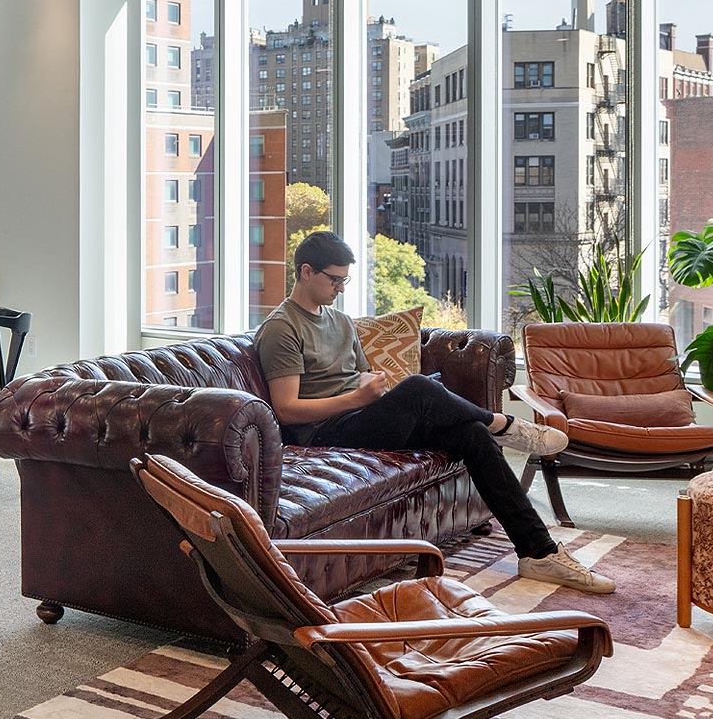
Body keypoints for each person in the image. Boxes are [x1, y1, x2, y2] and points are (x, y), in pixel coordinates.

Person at [254, 229, 616, 594]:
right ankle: (503, 424)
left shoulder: (340, 321)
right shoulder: (282, 328)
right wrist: (358, 399)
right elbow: (286, 410)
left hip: (365, 417)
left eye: (345, 279)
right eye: (335, 279)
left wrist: (373, 388)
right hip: (324, 432)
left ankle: (539, 553)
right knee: (419, 387)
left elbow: (359, 375)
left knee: (469, 435)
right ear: (305, 272)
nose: (341, 288)